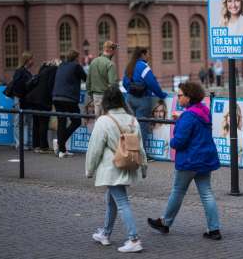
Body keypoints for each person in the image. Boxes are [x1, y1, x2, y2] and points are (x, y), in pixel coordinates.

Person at [147, 82, 221, 240]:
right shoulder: (204, 111)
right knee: (207, 193)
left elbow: (179, 141)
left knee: (178, 191)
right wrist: (181, 118)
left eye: (180, 95)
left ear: (189, 97)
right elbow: (195, 124)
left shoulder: (188, 116)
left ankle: (165, 223)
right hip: (204, 158)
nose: (177, 98)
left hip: (189, 160)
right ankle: (214, 229)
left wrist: (172, 140)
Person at [86, 85, 147, 253]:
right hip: (129, 166)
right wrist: (144, 167)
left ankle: (134, 239)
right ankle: (105, 233)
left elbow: (95, 149)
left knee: (121, 202)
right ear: (122, 100)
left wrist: (89, 170)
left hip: (111, 168)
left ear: (105, 102)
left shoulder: (104, 121)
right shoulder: (133, 120)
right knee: (112, 200)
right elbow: (141, 147)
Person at [123, 48, 167, 158]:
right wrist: (161, 95)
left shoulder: (129, 66)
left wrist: (130, 90)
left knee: (130, 126)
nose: (148, 56)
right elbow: (152, 83)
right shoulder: (144, 67)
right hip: (143, 99)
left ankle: (129, 152)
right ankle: (141, 155)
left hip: (129, 98)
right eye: (147, 54)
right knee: (142, 127)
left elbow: (124, 83)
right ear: (142, 54)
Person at [52, 50, 87, 158]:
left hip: (56, 97)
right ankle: (60, 143)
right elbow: (86, 78)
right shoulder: (76, 66)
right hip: (69, 98)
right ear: (76, 57)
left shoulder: (61, 65)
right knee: (76, 121)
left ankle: (61, 150)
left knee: (61, 122)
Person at [25, 59, 60, 153]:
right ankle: (43, 147)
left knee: (36, 123)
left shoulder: (43, 69)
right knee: (43, 123)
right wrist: (52, 98)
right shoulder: (54, 70)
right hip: (43, 100)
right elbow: (50, 86)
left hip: (34, 98)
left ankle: (36, 145)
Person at [86, 41, 119, 117]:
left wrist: (91, 95)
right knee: (107, 121)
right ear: (111, 50)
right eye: (114, 50)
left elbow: (88, 82)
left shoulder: (93, 62)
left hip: (95, 96)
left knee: (98, 121)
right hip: (106, 97)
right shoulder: (110, 64)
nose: (115, 52)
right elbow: (113, 85)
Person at [10, 51, 34, 150]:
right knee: (19, 122)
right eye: (31, 59)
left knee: (27, 122)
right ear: (27, 60)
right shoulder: (20, 71)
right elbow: (17, 86)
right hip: (20, 99)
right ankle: (20, 143)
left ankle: (26, 143)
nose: (33, 61)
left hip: (25, 99)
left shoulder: (26, 72)